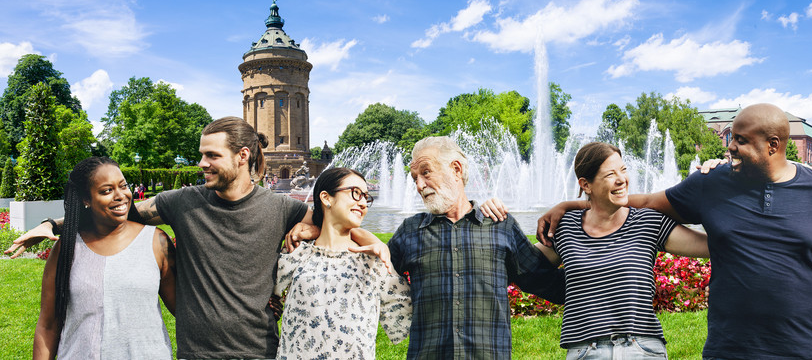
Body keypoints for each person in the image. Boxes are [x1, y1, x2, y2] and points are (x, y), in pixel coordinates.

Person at [9, 117, 389, 359]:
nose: (202, 163)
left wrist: (371, 239)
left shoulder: (280, 209)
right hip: (197, 353)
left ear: (242, 156)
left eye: (211, 156)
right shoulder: (183, 202)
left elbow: (336, 218)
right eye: (201, 155)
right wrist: (52, 225)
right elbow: (117, 210)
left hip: (260, 352)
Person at [538, 104, 812, 359]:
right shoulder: (712, 183)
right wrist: (577, 203)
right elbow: (650, 201)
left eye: (740, 140)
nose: (731, 147)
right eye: (730, 138)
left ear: (773, 145)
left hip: (802, 349)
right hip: (728, 348)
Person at [483, 142, 709, 359]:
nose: (622, 180)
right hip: (585, 351)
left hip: (642, 349)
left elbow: (712, 245)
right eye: (610, 174)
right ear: (585, 185)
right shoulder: (565, 227)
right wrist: (492, 215)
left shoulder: (649, 221)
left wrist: (720, 178)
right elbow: (521, 264)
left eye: (623, 170)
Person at [388, 136, 565, 359]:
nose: (419, 185)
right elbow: (370, 279)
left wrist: (583, 229)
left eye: (426, 172)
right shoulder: (410, 230)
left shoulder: (501, 226)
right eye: (415, 178)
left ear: (456, 169)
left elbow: (546, 282)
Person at [33, 157, 176, 359]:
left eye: (123, 186)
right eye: (106, 191)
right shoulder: (66, 249)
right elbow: (48, 326)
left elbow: (184, 311)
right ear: (86, 200)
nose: (121, 196)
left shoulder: (155, 242)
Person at [274, 167, 411, 359]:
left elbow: (407, 317)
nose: (363, 203)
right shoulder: (296, 253)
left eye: (366, 197)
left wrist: (377, 243)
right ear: (326, 198)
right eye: (356, 193)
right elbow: (261, 301)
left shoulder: (374, 263)